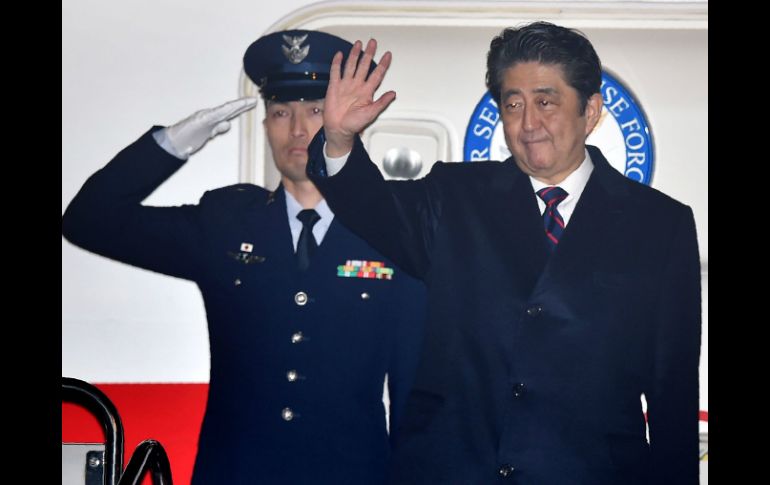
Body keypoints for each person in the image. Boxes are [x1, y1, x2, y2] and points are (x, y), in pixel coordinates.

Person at [306, 22, 701, 484]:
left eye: (546, 102)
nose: (528, 123)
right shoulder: (454, 197)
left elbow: (671, 393)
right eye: (513, 104)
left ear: (590, 111)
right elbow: (369, 209)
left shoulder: (658, 224)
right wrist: (338, 141)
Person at [62, 30, 425, 485]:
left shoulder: (394, 232)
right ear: (266, 124)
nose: (297, 129)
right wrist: (172, 143)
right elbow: (88, 221)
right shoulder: (227, 223)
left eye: (315, 110)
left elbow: (414, 395)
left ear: (348, 119)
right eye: (280, 112)